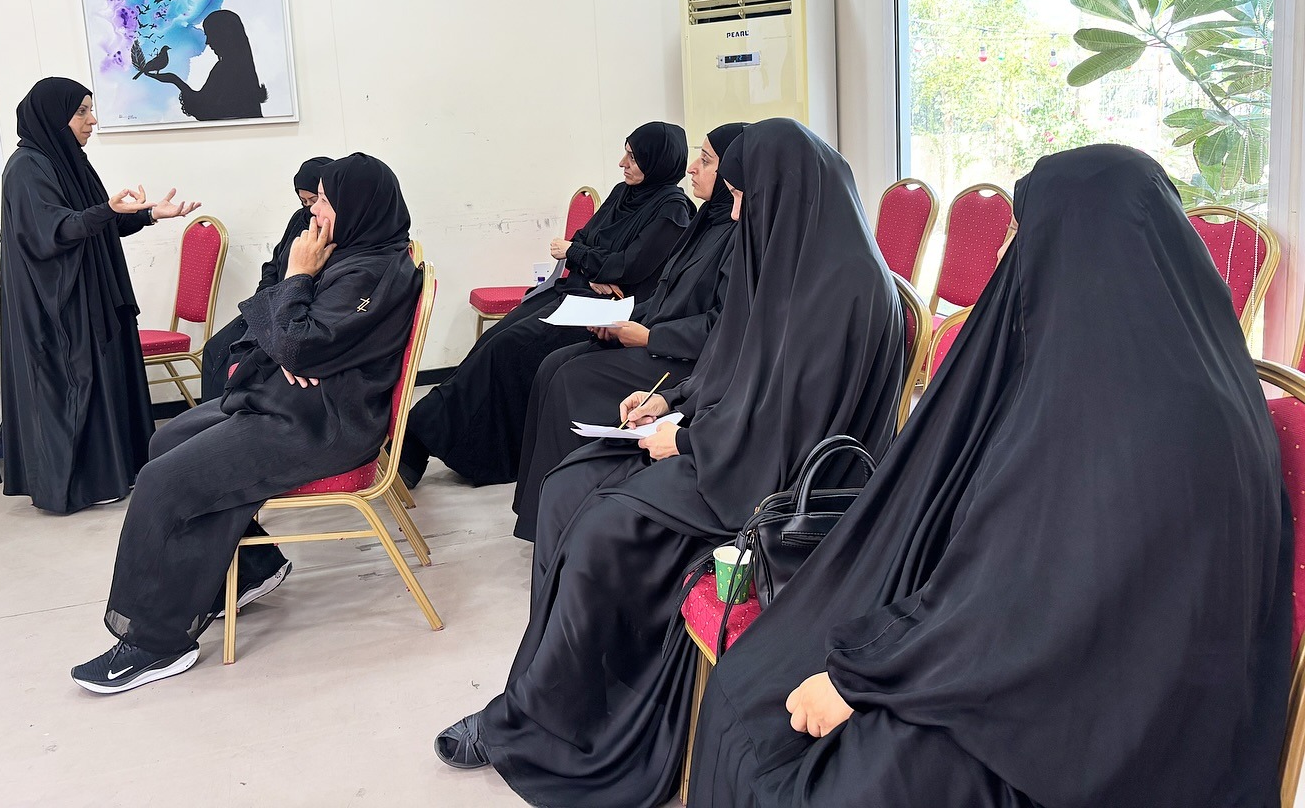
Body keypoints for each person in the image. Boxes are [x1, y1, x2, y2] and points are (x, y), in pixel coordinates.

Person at [689, 145, 1292, 808]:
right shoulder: (1180, 380)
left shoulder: (1145, 421)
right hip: (1065, 678)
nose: (1007, 252)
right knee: (762, 697)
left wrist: (870, 677)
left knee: (821, 770)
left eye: (1022, 233)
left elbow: (1040, 599)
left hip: (1095, 731)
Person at [433, 119, 905, 807]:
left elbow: (800, 431)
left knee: (602, 531)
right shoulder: (783, 259)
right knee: (567, 487)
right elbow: (730, 367)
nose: (733, 212)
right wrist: (669, 401)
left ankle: (560, 725)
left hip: (772, 492)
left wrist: (687, 444)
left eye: (741, 196)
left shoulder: (848, 293)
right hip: (732, 453)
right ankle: (554, 698)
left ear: (786, 192)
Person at [71, 154, 421, 694]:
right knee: (167, 440)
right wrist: (291, 332)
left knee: (163, 482)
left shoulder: (370, 271)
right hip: (292, 402)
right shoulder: (352, 251)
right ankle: (252, 571)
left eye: (325, 201)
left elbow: (297, 343)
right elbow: (282, 331)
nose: (314, 212)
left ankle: (156, 643)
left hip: (321, 424)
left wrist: (298, 284)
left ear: (358, 207)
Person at [399, 122, 694, 488]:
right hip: (576, 291)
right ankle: (431, 434)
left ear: (658, 160)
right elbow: (586, 242)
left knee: (509, 348)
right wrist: (592, 263)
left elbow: (625, 267)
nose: (622, 162)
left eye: (633, 157)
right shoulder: (623, 193)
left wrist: (585, 258)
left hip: (605, 310)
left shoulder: (673, 211)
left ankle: (427, 436)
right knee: (491, 341)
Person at [512, 122, 746, 541]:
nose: (692, 168)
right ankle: (537, 515)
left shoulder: (737, 235)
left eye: (706, 160)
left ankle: (570, 523)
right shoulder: (707, 221)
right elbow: (667, 294)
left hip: (690, 362)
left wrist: (648, 336)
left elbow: (724, 326)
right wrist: (620, 321)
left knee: (571, 378)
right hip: (661, 340)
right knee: (552, 365)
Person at [0, 77, 199, 515]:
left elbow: (99, 221)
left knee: (110, 378)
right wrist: (107, 209)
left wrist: (149, 214)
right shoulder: (27, 167)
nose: (92, 121)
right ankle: (83, 482)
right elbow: (53, 230)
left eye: (91, 110)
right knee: (80, 384)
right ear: (54, 116)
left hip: (93, 293)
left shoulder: (70, 161)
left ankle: (117, 471)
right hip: (61, 303)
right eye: (81, 112)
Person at [198, 155, 332, 401]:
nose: (311, 209)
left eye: (315, 200)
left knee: (241, 359)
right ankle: (213, 416)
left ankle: (233, 414)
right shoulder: (300, 219)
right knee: (215, 348)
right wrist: (262, 301)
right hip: (271, 304)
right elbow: (273, 265)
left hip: (293, 313)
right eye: (304, 201)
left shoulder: (333, 230)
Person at [144, 9, 267, 121]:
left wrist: (174, 80)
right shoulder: (240, 68)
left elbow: (204, 108)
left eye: (211, 35)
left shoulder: (226, 69)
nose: (208, 42)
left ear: (224, 35)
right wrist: (174, 79)